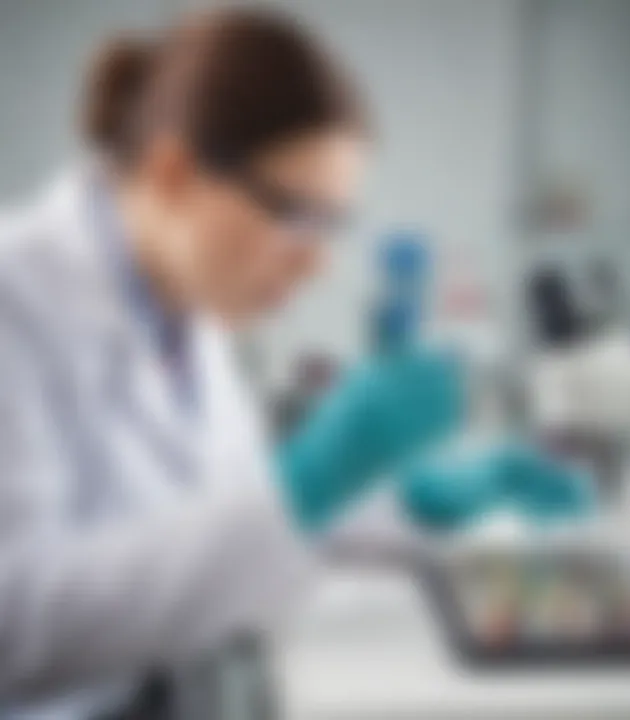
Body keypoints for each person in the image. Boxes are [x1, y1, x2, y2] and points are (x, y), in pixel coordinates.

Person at [0, 8, 591, 719]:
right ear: (173, 172)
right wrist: (310, 478)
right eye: (295, 215)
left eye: (332, 224)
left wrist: (406, 497)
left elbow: (230, 509)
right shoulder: (17, 297)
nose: (319, 261)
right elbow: (16, 626)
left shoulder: (186, 307)